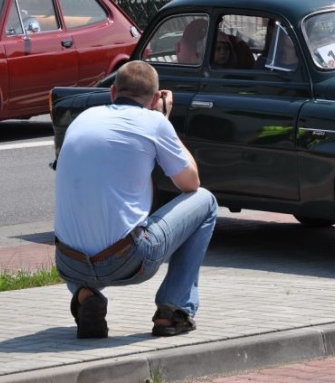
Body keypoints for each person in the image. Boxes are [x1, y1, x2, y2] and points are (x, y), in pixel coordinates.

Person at [53, 60, 218, 339]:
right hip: (126, 260)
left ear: (113, 92)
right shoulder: (153, 122)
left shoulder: (83, 119)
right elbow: (190, 182)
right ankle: (173, 311)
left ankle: (84, 295)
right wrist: (164, 123)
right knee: (206, 201)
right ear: (155, 99)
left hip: (69, 262)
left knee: (84, 232)